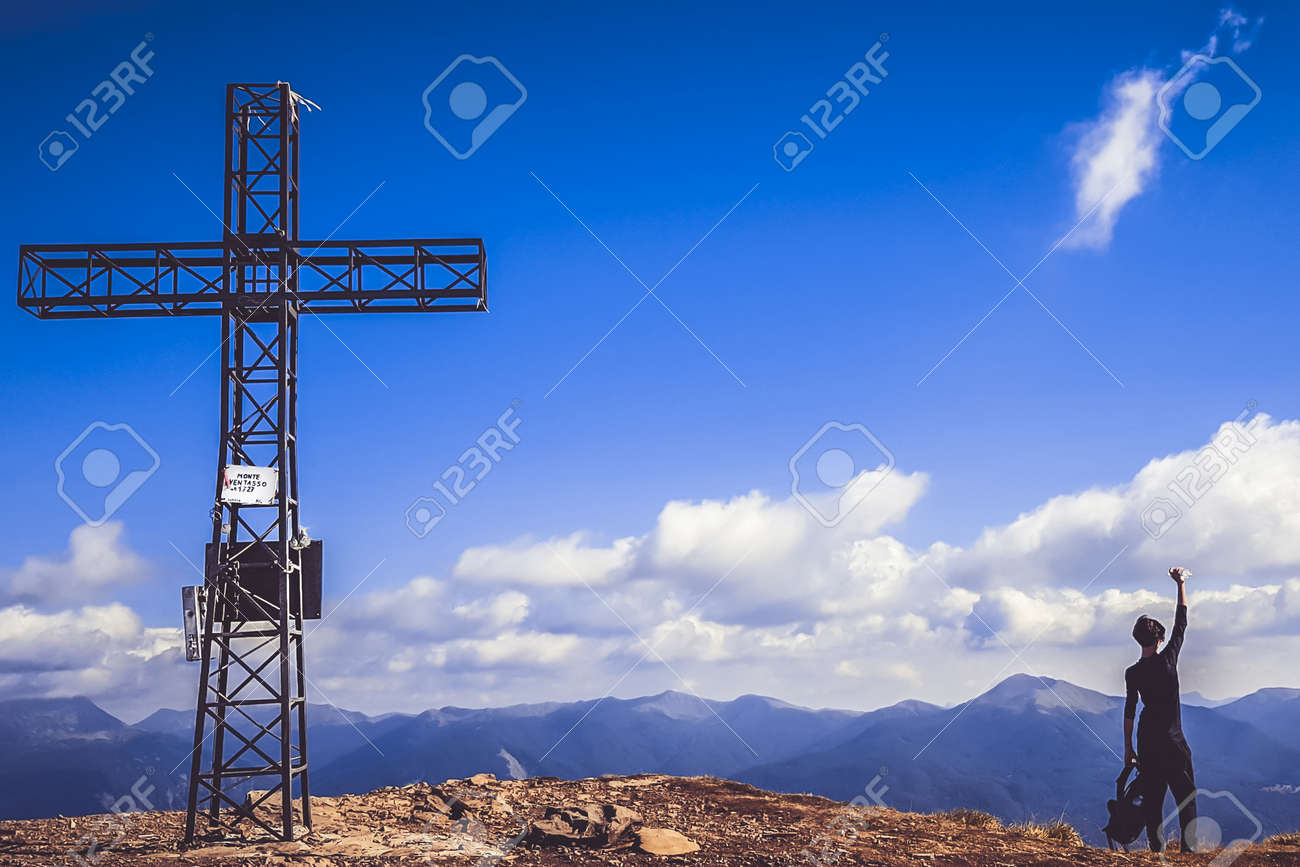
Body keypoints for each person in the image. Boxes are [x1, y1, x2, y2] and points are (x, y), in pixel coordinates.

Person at [1123, 566, 1197, 853]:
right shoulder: (1168, 660)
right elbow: (1182, 623)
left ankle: (1156, 851)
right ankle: (1189, 852)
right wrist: (1180, 583)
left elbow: (1130, 711)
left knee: (1153, 800)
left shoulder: (1132, 673)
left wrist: (1128, 747)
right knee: (1186, 798)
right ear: (1159, 639)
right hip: (1174, 741)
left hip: (1147, 741)